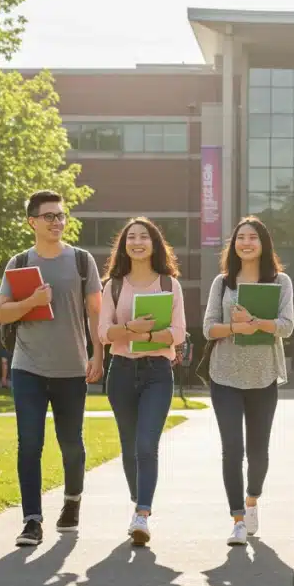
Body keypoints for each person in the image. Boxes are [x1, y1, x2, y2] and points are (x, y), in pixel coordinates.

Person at [0, 190, 103, 547]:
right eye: (49, 216)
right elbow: (2, 313)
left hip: (71, 368)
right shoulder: (19, 263)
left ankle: (72, 501)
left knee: (71, 443)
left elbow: (96, 312)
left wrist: (98, 355)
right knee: (29, 444)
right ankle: (32, 521)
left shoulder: (82, 261)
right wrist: (32, 301)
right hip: (28, 367)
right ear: (32, 222)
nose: (57, 222)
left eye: (61, 215)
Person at [202, 216, 294, 547]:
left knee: (258, 452)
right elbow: (208, 328)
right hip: (224, 376)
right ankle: (238, 519)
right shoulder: (222, 283)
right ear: (234, 244)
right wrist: (234, 328)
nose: (246, 242)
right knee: (232, 449)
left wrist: (255, 321)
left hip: (263, 376)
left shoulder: (280, 281)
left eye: (253, 237)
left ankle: (252, 499)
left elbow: (287, 326)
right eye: (241, 237)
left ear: (263, 244)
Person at [98, 217, 187, 546]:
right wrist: (130, 329)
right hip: (121, 372)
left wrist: (146, 335)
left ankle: (142, 514)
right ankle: (139, 500)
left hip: (157, 374)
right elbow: (103, 333)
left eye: (144, 237)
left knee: (146, 444)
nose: (137, 242)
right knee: (129, 446)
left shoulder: (169, 285)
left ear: (154, 244)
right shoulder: (113, 285)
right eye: (131, 237)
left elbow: (178, 333)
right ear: (124, 246)